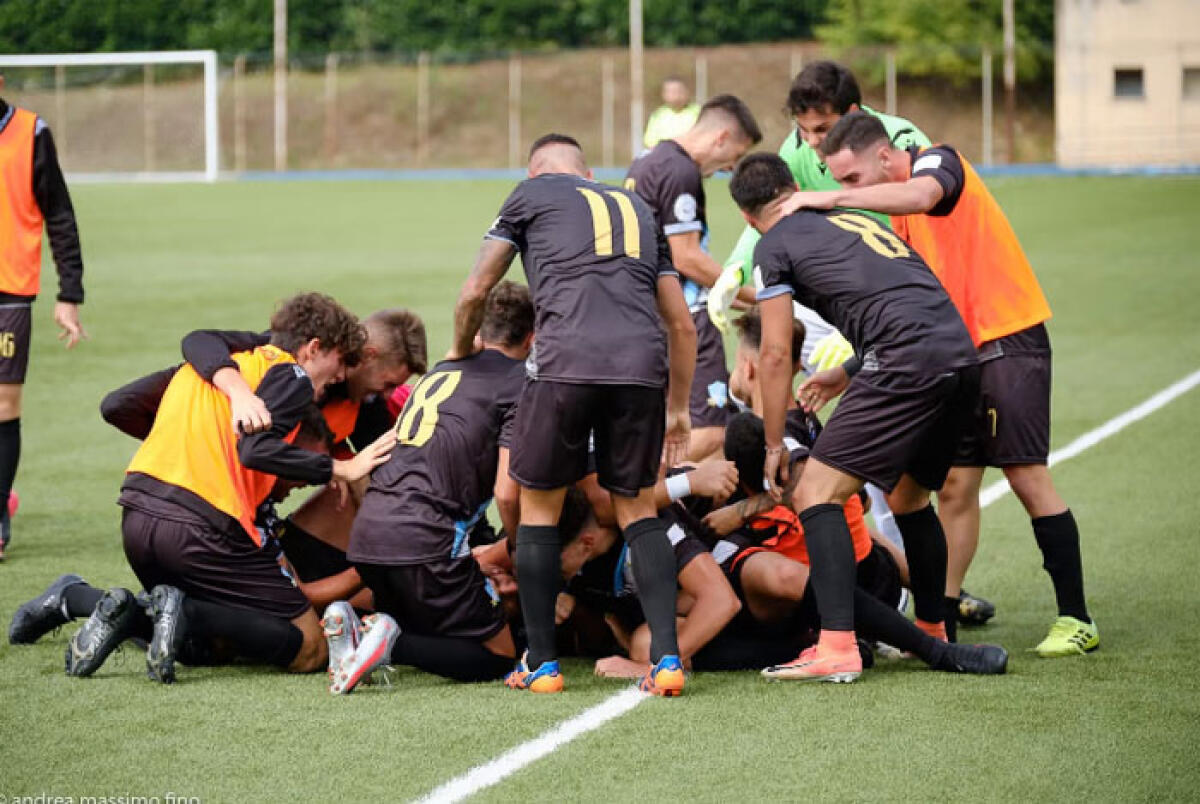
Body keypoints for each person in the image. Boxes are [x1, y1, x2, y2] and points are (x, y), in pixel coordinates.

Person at [778, 111, 1097, 655]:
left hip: (1006, 340)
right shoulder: (897, 223)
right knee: (951, 487)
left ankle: (1076, 618)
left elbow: (924, 194)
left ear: (884, 156)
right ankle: (941, 618)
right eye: (837, 183)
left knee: (1025, 477)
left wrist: (829, 202)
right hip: (956, 357)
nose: (846, 190)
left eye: (852, 178)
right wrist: (849, 372)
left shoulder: (937, 161)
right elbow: (920, 314)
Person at [450, 133, 697, 696]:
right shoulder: (639, 208)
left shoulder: (530, 195)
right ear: (586, 173)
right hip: (642, 368)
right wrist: (679, 408)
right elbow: (681, 324)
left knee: (539, 507)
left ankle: (542, 663)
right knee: (638, 509)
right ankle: (666, 661)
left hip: (564, 364)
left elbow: (474, 291)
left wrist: (460, 348)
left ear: (538, 173)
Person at [731, 152, 980, 682]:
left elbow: (775, 352)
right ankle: (933, 632)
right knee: (910, 498)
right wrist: (848, 372)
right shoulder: (855, 218)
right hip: (959, 355)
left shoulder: (772, 244)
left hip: (903, 360)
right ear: (795, 186)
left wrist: (773, 442)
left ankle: (837, 646)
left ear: (749, 218)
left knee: (814, 492)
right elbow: (903, 297)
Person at [63, 293, 392, 683]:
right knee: (310, 648)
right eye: (338, 363)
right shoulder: (292, 373)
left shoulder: (204, 368)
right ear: (313, 347)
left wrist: (193, 441)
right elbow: (255, 450)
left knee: (208, 645)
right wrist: (340, 467)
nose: (339, 377)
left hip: (136, 515)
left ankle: (117, 609)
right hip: (202, 525)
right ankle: (178, 609)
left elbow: (117, 404)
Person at [331, 281, 534, 694]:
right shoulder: (518, 383)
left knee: (434, 619)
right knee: (497, 655)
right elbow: (508, 492)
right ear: (534, 337)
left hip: (369, 533)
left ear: (479, 333)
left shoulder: (444, 370)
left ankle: (364, 624)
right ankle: (390, 641)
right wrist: (519, 548)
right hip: (427, 540)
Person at [626, 95, 762, 461]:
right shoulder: (681, 172)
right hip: (685, 316)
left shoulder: (645, 161)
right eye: (736, 154)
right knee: (708, 433)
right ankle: (655, 504)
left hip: (644, 315)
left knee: (665, 426)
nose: (731, 167)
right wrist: (754, 296)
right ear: (722, 137)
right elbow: (686, 258)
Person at [0, 76, 88, 559]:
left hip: (9, 292)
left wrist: (68, 292)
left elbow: (59, 214)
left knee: (4, 407)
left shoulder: (31, 133)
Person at [643, 77, 701, 149]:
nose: (676, 96)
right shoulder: (658, 115)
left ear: (687, 92)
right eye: (671, 92)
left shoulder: (698, 112)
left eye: (679, 91)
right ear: (664, 95)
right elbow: (650, 142)